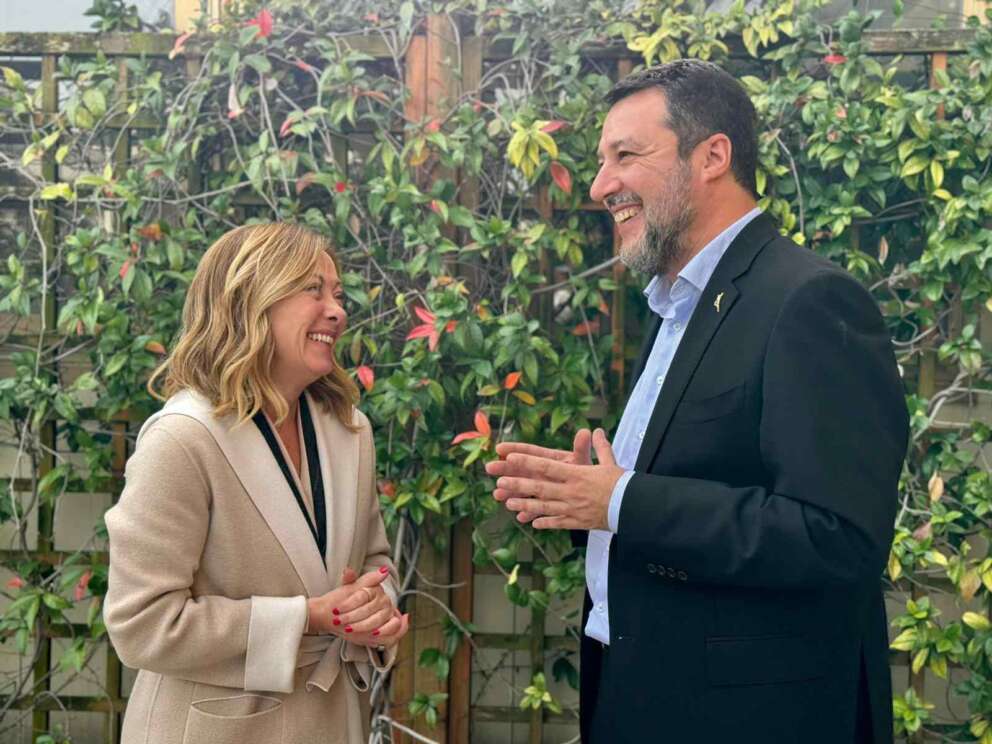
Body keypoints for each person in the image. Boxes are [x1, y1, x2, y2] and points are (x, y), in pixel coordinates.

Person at [486, 60, 908, 743]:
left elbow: (836, 540)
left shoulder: (809, 300)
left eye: (626, 156)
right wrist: (583, 500)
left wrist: (621, 500)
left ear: (713, 156)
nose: (600, 186)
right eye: (601, 162)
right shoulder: (676, 308)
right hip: (640, 696)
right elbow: (691, 497)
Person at [104, 223, 409, 744]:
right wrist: (306, 618)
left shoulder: (349, 432)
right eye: (312, 290)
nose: (337, 311)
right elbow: (142, 625)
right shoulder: (182, 439)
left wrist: (374, 605)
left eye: (337, 294)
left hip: (335, 724)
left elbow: (376, 562)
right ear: (250, 301)